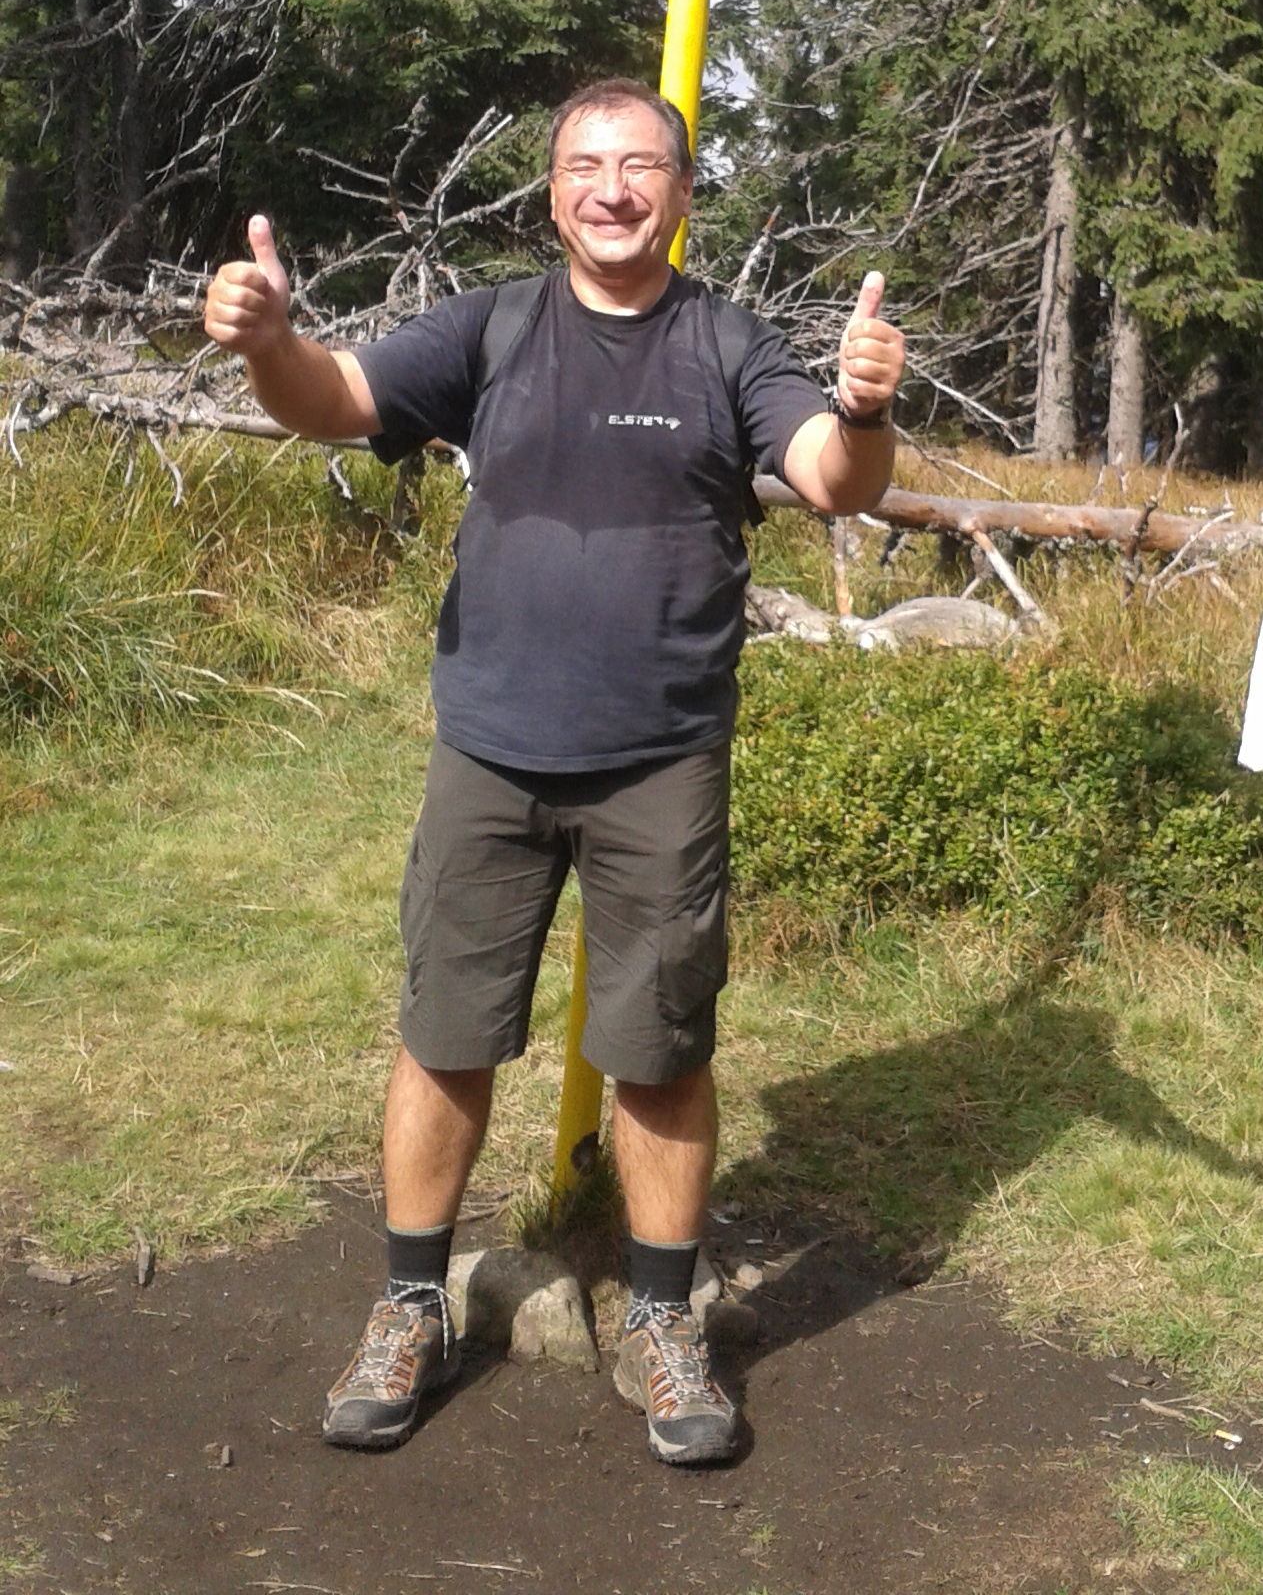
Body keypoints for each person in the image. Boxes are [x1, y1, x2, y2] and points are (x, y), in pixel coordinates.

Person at [202, 77, 905, 1468]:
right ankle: (411, 1304)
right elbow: (336, 401)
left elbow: (832, 476)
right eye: (586, 165)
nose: (612, 188)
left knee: (660, 1051)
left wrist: (866, 408)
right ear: (553, 193)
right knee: (447, 1028)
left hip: (662, 762)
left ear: (683, 191)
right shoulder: (495, 326)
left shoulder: (727, 341)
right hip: (489, 747)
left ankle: (660, 1321)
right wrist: (269, 342)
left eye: (640, 165)